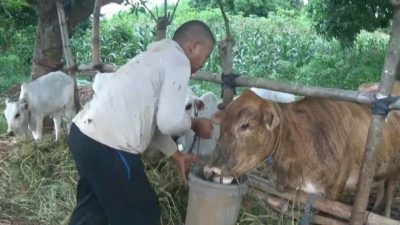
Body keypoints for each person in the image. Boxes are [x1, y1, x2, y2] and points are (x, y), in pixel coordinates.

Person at [67, 20, 215, 225]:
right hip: (110, 147)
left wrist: (175, 153)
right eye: (205, 57)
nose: (202, 65)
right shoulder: (179, 61)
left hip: (82, 136)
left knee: (94, 209)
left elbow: (152, 121)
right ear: (194, 47)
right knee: (143, 214)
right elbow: (169, 122)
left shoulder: (155, 57)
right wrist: (195, 123)